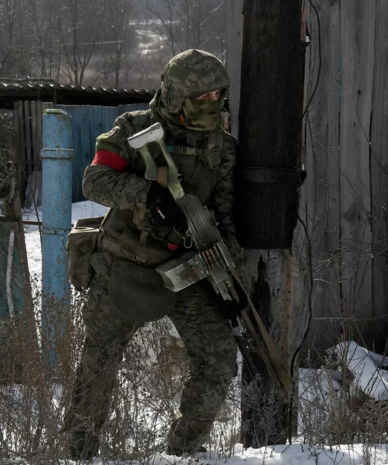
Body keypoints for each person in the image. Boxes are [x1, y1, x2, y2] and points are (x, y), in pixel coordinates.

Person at [62, 49, 243, 459]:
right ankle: (76, 452)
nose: (215, 104)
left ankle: (181, 453)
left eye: (220, 95)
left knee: (218, 363)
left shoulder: (222, 148)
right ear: (178, 96)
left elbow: (227, 216)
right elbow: (94, 181)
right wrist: (147, 194)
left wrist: (230, 275)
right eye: (205, 97)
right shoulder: (135, 129)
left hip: (188, 269)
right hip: (125, 263)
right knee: (99, 365)